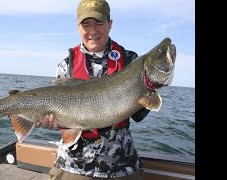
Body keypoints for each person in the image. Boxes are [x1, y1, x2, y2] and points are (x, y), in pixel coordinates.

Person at [35, 0, 150, 179]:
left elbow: (139, 115)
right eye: (86, 24)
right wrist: (50, 123)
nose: (93, 31)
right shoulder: (66, 65)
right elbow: (61, 121)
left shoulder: (131, 61)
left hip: (122, 165)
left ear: (110, 24)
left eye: (99, 23)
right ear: (78, 26)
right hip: (73, 165)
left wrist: (150, 88)